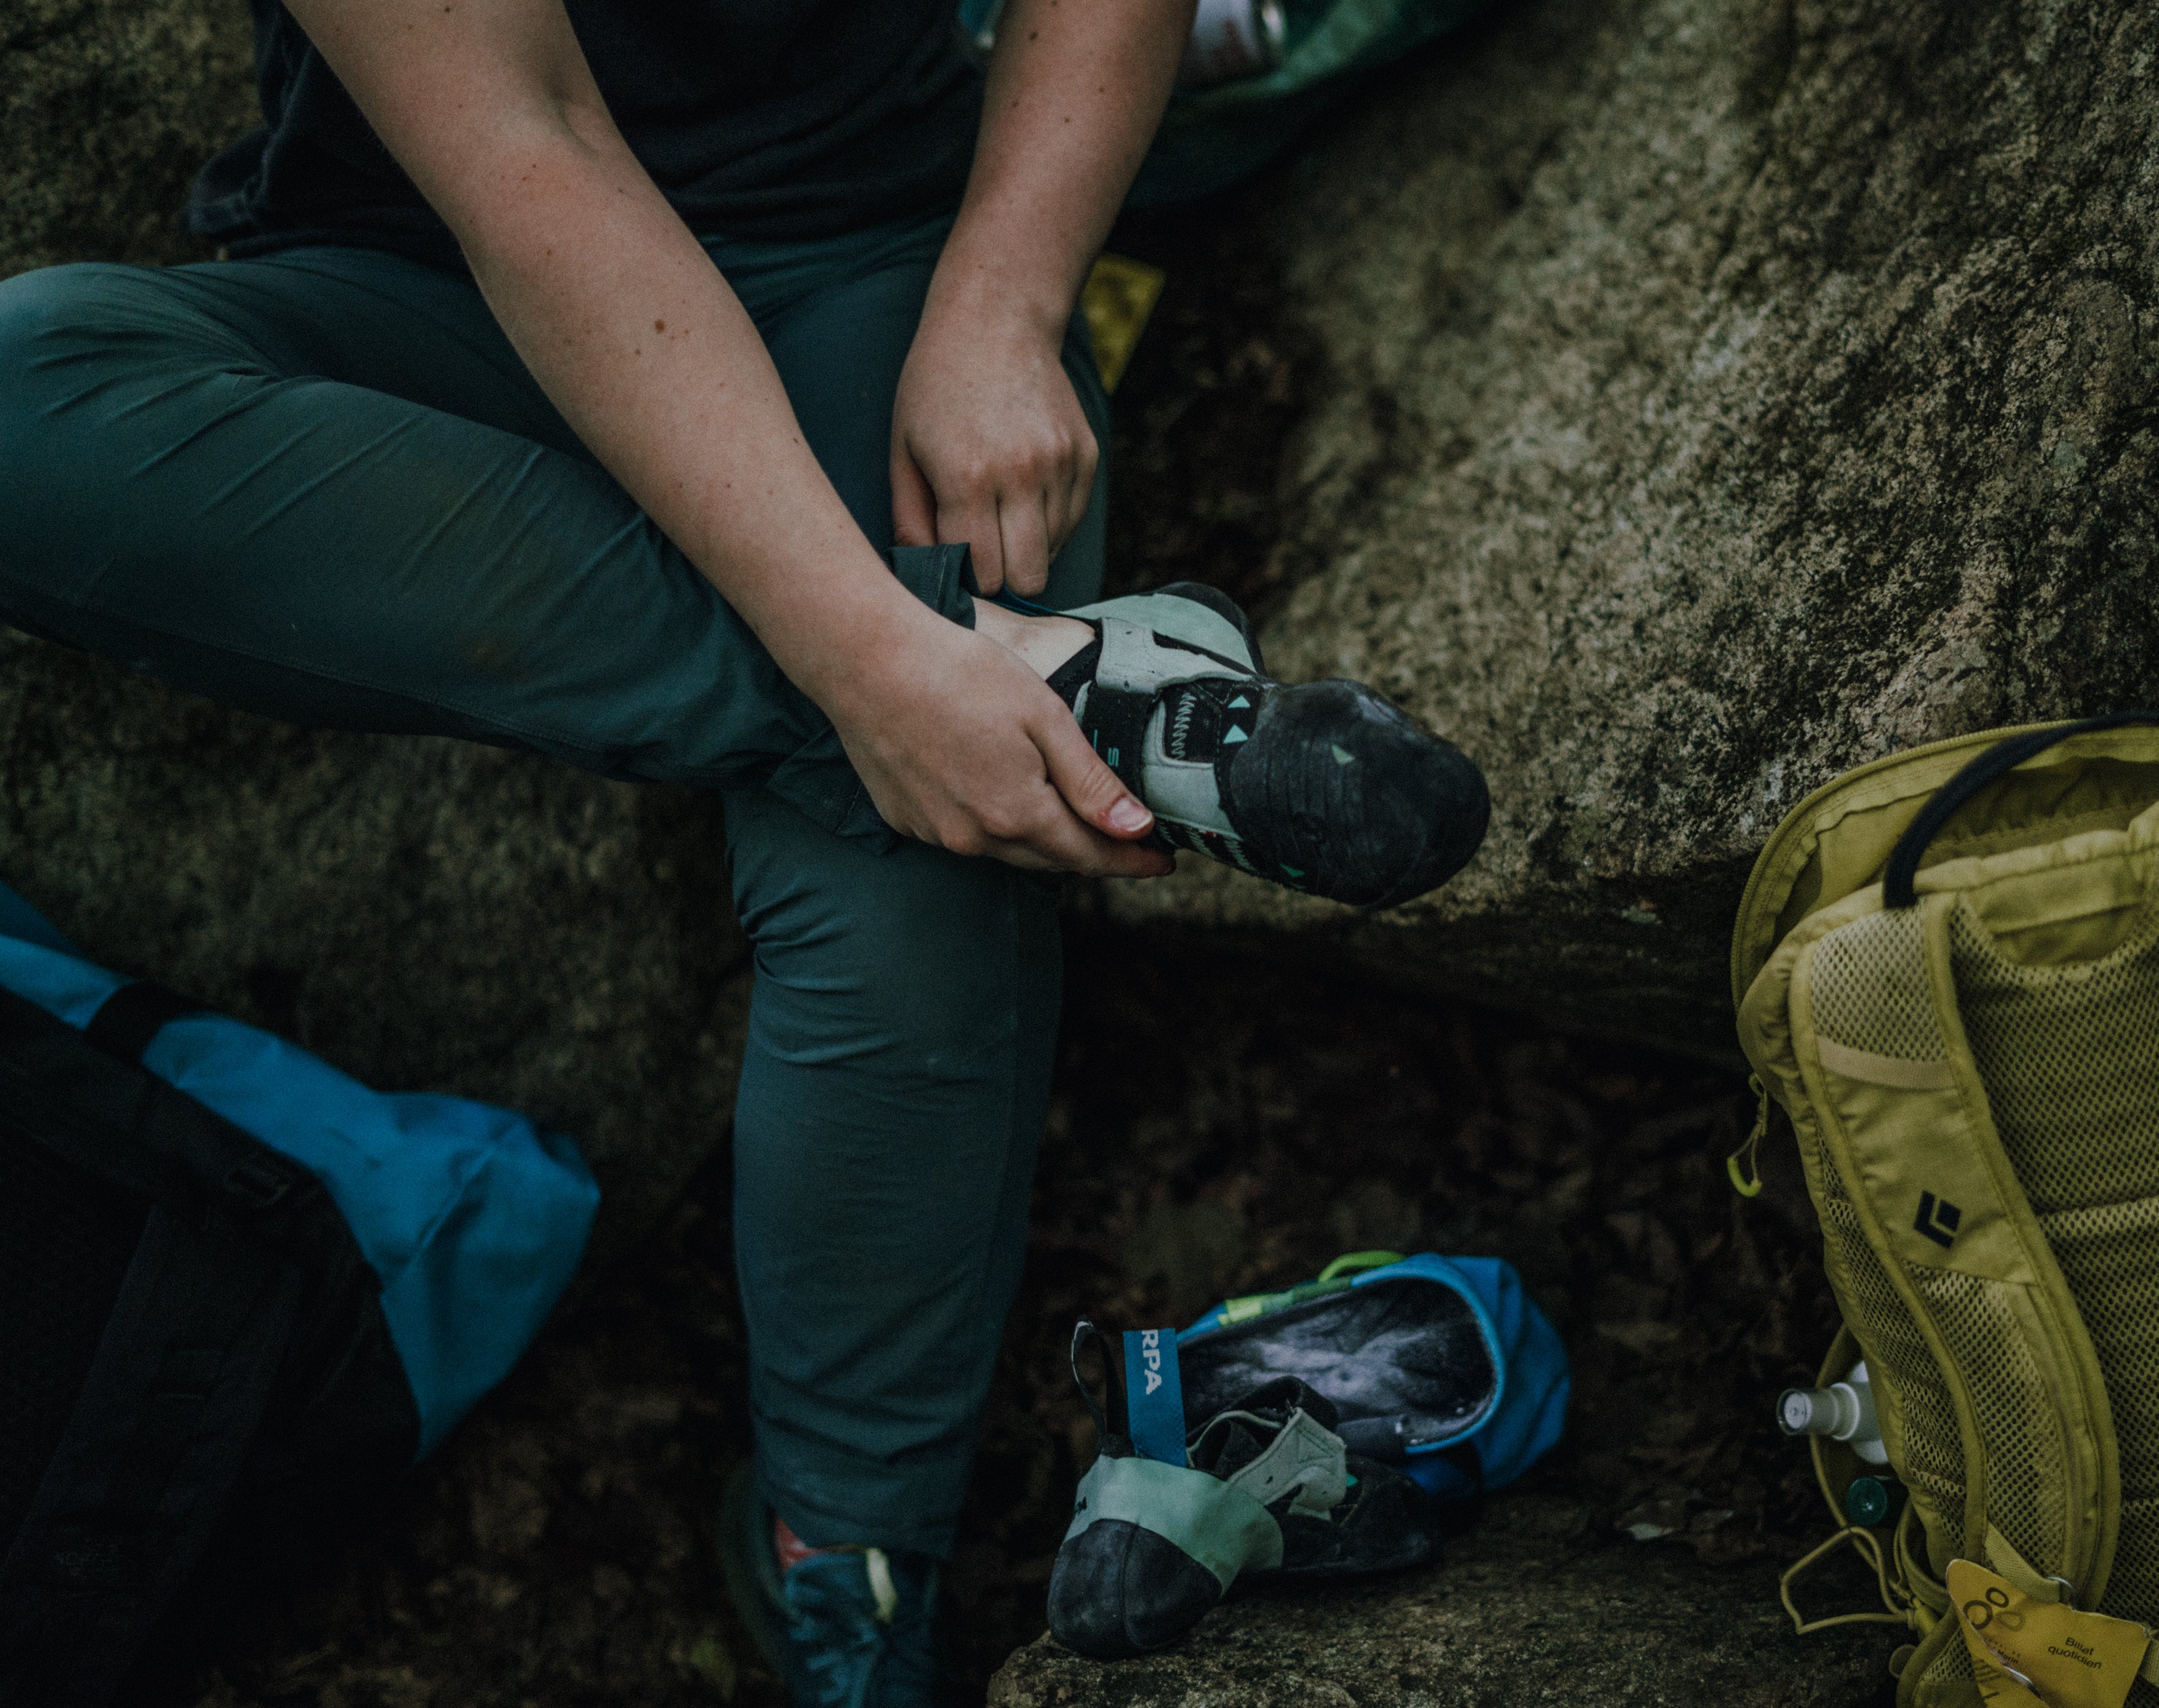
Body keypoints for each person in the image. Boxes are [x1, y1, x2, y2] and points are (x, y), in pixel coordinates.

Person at [0, 1, 1487, 1700]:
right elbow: (528, 139)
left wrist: (1004, 306)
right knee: (19, 393)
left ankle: (839, 1545)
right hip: (428, 296)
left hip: (875, 273)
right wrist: (874, 660)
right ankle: (1063, 684)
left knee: (920, 863)